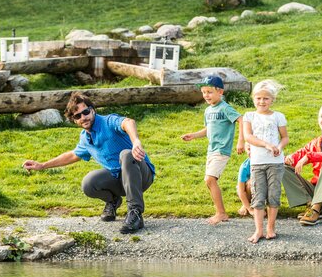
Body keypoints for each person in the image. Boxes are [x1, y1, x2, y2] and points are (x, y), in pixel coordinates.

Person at [22, 92, 155, 234]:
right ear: (74, 120)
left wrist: (136, 142)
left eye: (85, 112)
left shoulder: (108, 121)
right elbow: (73, 155)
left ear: (92, 110)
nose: (83, 117)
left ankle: (135, 213)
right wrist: (42, 165)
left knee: (127, 154)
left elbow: (128, 122)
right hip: (120, 180)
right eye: (77, 116)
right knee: (89, 183)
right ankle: (113, 201)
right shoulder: (85, 138)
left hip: (141, 176)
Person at [181, 75, 245, 225]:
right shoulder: (208, 110)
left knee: (210, 179)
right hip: (211, 150)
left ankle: (221, 213)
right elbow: (208, 129)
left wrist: (240, 141)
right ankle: (220, 212)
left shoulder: (225, 108)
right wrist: (194, 135)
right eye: (204, 92)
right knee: (209, 181)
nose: (206, 95)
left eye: (209, 92)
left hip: (222, 150)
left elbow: (241, 119)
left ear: (220, 92)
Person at [242, 80, 289, 243]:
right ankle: (258, 230)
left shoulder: (278, 116)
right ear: (253, 99)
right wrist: (266, 145)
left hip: (275, 163)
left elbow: (285, 138)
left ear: (272, 100)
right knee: (258, 195)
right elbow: (248, 137)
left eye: (266, 98)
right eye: (258, 98)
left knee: (274, 195)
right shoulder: (249, 116)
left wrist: (279, 147)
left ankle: (270, 228)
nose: (262, 101)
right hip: (257, 163)